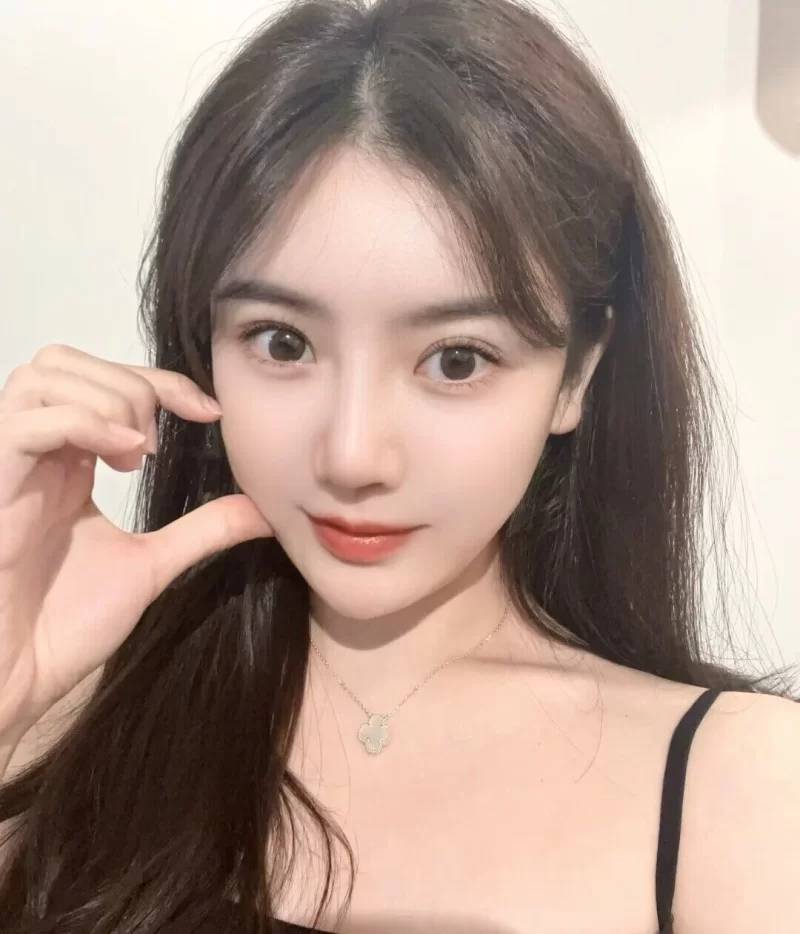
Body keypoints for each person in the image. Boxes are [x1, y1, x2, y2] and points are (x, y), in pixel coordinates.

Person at [0, 0, 798, 931]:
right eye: (283, 342)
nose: (353, 457)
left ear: (577, 374)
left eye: (456, 360)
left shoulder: (740, 790)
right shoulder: (65, 717)